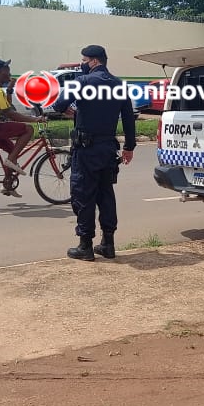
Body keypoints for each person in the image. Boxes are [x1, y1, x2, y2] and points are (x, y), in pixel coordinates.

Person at [51, 45, 136, 261]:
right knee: (105, 193)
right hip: (108, 150)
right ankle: (108, 244)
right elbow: (128, 119)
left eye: (83, 60)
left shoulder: (83, 82)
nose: (82, 64)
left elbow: (59, 103)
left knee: (83, 195)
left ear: (94, 61)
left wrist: (68, 110)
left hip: (86, 150)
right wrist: (129, 148)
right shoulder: (119, 85)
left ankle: (85, 246)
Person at [0, 59, 47, 198]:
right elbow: (11, 113)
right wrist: (35, 119)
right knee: (28, 129)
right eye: (7, 70)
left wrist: (10, 89)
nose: (10, 73)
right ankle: (11, 162)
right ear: (0, 72)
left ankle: (7, 186)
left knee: (13, 150)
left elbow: (8, 106)